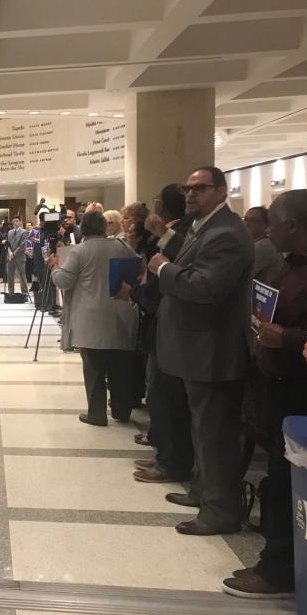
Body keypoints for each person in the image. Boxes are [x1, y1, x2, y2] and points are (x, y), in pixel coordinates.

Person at [148, 166, 254, 536]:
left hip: (213, 351)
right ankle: (203, 491)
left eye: (201, 188)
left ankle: (220, 512)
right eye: (188, 188)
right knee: (202, 429)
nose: (192, 194)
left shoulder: (225, 233)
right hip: (196, 349)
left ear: (222, 191)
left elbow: (206, 287)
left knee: (215, 434)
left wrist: (163, 269)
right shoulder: (203, 227)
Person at [222, 190, 307, 599]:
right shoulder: (290, 266)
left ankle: (277, 572)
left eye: (273, 220)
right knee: (278, 480)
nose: (265, 227)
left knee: (285, 484)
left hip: (300, 391)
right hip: (275, 385)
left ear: (293, 225)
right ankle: (278, 563)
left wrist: (289, 339)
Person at [126, 184, 194, 483]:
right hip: (163, 324)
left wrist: (140, 290)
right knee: (161, 396)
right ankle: (165, 456)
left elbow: (160, 281)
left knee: (166, 397)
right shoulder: (180, 234)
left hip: (168, 323)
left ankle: (171, 462)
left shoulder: (184, 236)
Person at [51, 211, 139, 425]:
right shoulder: (123, 246)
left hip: (91, 319)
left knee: (94, 370)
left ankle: (97, 414)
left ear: (84, 228)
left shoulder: (80, 251)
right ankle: (121, 410)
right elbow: (138, 270)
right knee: (120, 368)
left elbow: (63, 280)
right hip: (121, 314)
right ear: (104, 227)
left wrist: (54, 266)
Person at [244, 205, 284, 285]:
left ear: (266, 224)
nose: (246, 224)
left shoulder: (264, 246)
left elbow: (241, 275)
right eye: (245, 220)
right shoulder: (256, 243)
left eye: (252, 220)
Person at [5, 216, 29, 294]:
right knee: (10, 275)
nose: (15, 222)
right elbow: (8, 244)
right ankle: (11, 292)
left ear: (20, 222)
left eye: (17, 221)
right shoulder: (10, 232)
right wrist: (9, 253)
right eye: (14, 221)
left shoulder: (24, 232)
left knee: (22, 275)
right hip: (10, 256)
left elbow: (23, 245)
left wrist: (14, 253)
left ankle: (24, 292)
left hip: (20, 257)